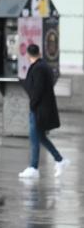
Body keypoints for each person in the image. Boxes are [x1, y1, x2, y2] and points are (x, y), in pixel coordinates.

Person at [18, 44, 69, 179]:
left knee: (35, 138)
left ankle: (33, 167)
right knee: (40, 137)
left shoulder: (38, 68)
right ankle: (59, 160)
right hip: (42, 108)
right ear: (39, 53)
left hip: (38, 109)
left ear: (28, 55)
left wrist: (32, 105)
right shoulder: (42, 66)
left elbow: (37, 89)